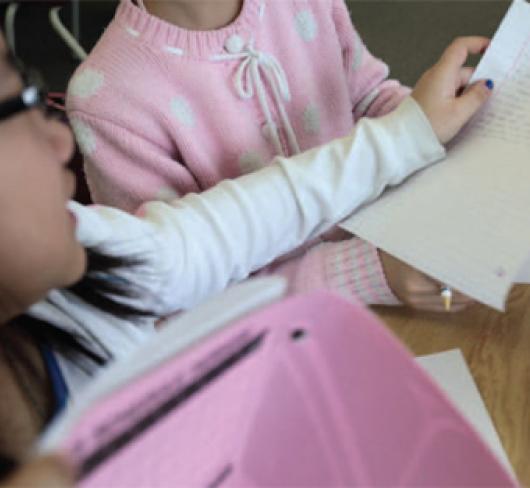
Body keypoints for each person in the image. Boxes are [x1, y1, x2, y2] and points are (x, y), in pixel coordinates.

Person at [0, 28, 490, 483]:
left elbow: (227, 226)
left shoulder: (86, 252)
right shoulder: (110, 95)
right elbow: (194, 320)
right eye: (13, 104)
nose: (59, 140)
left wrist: (410, 131)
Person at [66, 0, 476, 312]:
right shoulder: (108, 99)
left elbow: (367, 95)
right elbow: (187, 305)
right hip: (277, 333)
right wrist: (368, 273)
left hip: (403, 260)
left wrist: (446, 120)